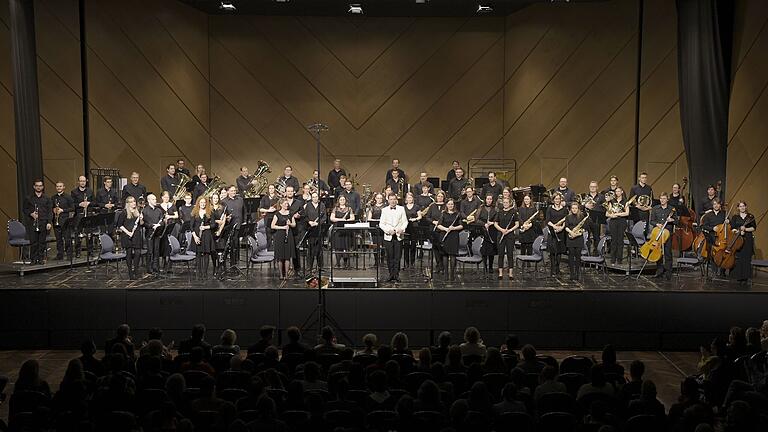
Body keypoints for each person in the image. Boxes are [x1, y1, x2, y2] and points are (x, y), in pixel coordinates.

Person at [380, 193, 408, 283]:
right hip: (388, 236)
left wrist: (401, 229)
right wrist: (388, 230)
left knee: (397, 256)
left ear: (396, 200)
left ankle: (396, 274)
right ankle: (390, 274)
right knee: (389, 256)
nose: (392, 201)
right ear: (388, 200)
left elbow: (405, 222)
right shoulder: (384, 210)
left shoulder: (401, 209)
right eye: (391, 199)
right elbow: (381, 224)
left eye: (394, 199)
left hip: (399, 236)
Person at [649, 193, 678, 280]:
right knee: (658, 252)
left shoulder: (672, 209)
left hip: (667, 233)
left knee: (668, 252)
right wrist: (657, 224)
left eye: (664, 198)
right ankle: (659, 271)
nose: (662, 200)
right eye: (661, 198)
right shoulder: (655, 208)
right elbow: (651, 221)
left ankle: (668, 272)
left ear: (667, 199)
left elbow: (676, 221)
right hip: (657, 233)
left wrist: (671, 220)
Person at [24, 179, 52, 265]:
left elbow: (49, 211)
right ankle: (33, 259)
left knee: (42, 242)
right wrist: (31, 214)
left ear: (42, 187)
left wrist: (49, 222)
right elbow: (24, 209)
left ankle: (40, 258)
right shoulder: (28, 198)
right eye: (37, 186)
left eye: (40, 186)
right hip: (33, 222)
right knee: (33, 242)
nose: (39, 187)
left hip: (43, 222)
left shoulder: (47, 198)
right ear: (34, 187)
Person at [116, 196, 144, 279]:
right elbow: (119, 225)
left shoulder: (138, 211)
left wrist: (141, 219)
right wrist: (128, 232)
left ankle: (136, 270)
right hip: (127, 235)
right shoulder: (124, 212)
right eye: (131, 202)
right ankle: (130, 272)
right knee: (129, 253)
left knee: (138, 253)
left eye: (134, 201)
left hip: (136, 235)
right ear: (127, 203)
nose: (134, 203)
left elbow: (141, 224)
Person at [437, 198, 464, 281]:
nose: (450, 206)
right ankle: (446, 274)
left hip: (454, 236)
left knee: (453, 255)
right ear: (446, 205)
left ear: (454, 205)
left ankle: (452, 274)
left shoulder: (457, 214)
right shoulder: (443, 214)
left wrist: (454, 228)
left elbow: (462, 226)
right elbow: (438, 225)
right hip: (444, 235)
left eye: (452, 204)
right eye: (449, 204)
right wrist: (445, 229)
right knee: (445, 255)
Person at [730, 201, 756, 284]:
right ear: (738, 208)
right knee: (738, 257)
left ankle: (745, 277)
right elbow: (732, 228)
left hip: (748, 239)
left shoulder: (750, 216)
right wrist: (738, 231)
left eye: (743, 206)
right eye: (740, 206)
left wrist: (745, 229)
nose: (742, 208)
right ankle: (737, 276)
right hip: (738, 239)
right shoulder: (735, 217)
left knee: (746, 257)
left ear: (746, 206)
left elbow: (754, 228)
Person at [191, 196, 217, 278]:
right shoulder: (194, 212)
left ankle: (205, 273)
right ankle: (199, 272)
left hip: (207, 235)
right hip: (197, 235)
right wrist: (195, 237)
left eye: (204, 202)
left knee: (206, 253)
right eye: (201, 202)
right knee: (198, 254)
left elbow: (213, 225)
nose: (203, 204)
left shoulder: (210, 212)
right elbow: (191, 226)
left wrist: (205, 227)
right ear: (198, 203)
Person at [494, 196, 518, 280]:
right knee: (500, 254)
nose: (505, 204)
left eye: (507, 202)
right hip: (501, 235)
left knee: (510, 254)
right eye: (504, 202)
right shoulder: (499, 212)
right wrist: (502, 230)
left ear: (510, 203)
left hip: (510, 235)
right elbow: (495, 224)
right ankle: (500, 273)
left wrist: (509, 230)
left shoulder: (513, 212)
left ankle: (510, 274)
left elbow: (517, 224)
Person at [71, 175, 96, 257]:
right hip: (79, 215)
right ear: (78, 182)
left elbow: (94, 202)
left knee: (89, 233)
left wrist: (89, 203)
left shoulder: (90, 191)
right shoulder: (74, 192)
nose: (82, 182)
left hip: (88, 214)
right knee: (78, 234)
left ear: (86, 181)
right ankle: (78, 252)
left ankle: (90, 251)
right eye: (81, 181)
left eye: (84, 181)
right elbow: (72, 204)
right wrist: (79, 204)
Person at [272, 198, 297, 280]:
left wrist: (290, 224)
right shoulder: (277, 214)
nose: (287, 205)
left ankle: (286, 275)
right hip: (280, 235)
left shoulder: (290, 213)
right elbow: (273, 226)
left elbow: (294, 224)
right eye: (285, 204)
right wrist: (282, 227)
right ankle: (281, 275)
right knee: (280, 256)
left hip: (288, 235)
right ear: (281, 204)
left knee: (287, 256)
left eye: (287, 204)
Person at [565, 202, 590, 281]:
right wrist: (571, 232)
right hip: (570, 238)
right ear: (571, 209)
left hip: (578, 238)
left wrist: (577, 234)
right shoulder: (568, 217)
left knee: (578, 257)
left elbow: (584, 228)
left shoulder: (582, 216)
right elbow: (566, 226)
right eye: (573, 208)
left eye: (576, 208)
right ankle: (572, 274)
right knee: (571, 257)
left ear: (578, 209)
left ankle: (577, 273)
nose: (574, 210)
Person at [141, 193, 165, 275]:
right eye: (153, 199)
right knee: (150, 251)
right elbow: (143, 223)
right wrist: (151, 226)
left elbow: (162, 221)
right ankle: (149, 268)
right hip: (149, 233)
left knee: (156, 251)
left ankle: (156, 267)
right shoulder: (145, 210)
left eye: (155, 199)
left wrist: (159, 225)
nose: (155, 201)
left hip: (157, 233)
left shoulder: (159, 210)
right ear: (149, 200)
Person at [303, 191, 326, 274]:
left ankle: (320, 266)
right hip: (310, 230)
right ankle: (310, 266)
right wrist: (309, 222)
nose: (315, 198)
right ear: (311, 198)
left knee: (319, 249)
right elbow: (305, 216)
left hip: (319, 229)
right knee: (310, 249)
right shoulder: (308, 206)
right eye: (313, 197)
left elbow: (324, 218)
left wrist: (317, 223)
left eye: (316, 197)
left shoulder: (322, 205)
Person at [606, 186, 630, 265]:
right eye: (616, 191)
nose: (617, 193)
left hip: (622, 222)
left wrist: (617, 214)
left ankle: (619, 259)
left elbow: (627, 213)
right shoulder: (612, 201)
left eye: (619, 191)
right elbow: (607, 213)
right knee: (614, 240)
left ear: (622, 192)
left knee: (620, 241)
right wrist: (611, 215)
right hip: (613, 221)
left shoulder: (625, 201)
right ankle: (613, 259)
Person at [222, 185, 244, 267]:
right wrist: (226, 218)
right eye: (232, 191)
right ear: (228, 192)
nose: (234, 192)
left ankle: (235, 261)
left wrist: (244, 222)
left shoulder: (240, 200)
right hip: (229, 226)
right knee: (230, 244)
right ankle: (230, 260)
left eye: (234, 191)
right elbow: (222, 214)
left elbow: (244, 211)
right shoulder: (224, 201)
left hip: (239, 225)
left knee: (236, 243)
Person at [546, 193, 567, 276]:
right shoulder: (549, 208)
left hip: (561, 232)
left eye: (559, 199)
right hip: (552, 231)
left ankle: (557, 268)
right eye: (556, 199)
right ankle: (552, 269)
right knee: (552, 251)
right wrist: (554, 226)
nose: (557, 200)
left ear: (560, 199)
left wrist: (561, 227)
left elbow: (566, 220)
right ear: (553, 200)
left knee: (559, 251)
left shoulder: (564, 209)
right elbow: (547, 220)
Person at [331, 195, 355, 268]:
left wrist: (346, 220)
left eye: (343, 199)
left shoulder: (349, 208)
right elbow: (332, 218)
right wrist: (341, 220)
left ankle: (345, 263)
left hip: (346, 230)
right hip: (337, 230)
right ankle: (338, 263)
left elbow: (352, 218)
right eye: (341, 200)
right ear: (338, 201)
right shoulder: (335, 208)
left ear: (345, 200)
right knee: (338, 246)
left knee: (346, 246)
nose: (342, 201)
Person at [427, 190, 447, 273]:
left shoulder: (446, 206)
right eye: (438, 196)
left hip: (442, 230)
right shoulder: (432, 206)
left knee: (441, 248)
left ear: (444, 197)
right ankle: (438, 265)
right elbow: (428, 217)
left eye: (441, 196)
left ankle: (442, 266)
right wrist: (433, 221)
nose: (440, 198)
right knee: (435, 248)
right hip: (433, 230)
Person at [583, 180, 605, 255]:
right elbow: (580, 207)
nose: (592, 188)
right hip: (587, 220)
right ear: (589, 187)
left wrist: (595, 208)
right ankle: (587, 254)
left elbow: (604, 208)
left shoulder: (601, 197)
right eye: (591, 187)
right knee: (587, 238)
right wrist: (585, 206)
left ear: (597, 187)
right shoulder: (585, 196)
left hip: (596, 220)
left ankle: (596, 254)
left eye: (594, 187)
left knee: (596, 238)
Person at [402, 192, 421, 270]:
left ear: (413, 198)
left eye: (410, 197)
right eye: (408, 198)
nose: (409, 199)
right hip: (406, 227)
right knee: (406, 246)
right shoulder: (403, 207)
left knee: (413, 245)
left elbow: (420, 216)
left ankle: (412, 262)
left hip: (414, 227)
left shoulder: (416, 207)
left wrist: (415, 219)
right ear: (406, 199)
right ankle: (406, 263)